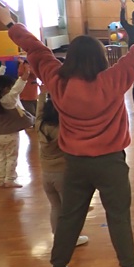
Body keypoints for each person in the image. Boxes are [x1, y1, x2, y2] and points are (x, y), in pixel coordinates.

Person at [0, 0, 134, 267]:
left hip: (75, 163)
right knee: (118, 216)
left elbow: (37, 51)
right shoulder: (111, 80)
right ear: (100, 58)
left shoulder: (57, 81)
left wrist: (11, 23)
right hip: (110, 163)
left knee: (69, 216)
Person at [36, 90, 88, 247]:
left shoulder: (40, 125)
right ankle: (71, 239)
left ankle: (58, 237)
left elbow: (39, 111)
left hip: (46, 175)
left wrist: (43, 93)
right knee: (70, 209)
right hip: (62, 174)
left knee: (55, 207)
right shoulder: (63, 130)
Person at [0, 64, 33, 188]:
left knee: (1, 157)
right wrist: (26, 74)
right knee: (12, 157)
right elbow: (18, 87)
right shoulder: (10, 100)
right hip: (11, 135)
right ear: (7, 88)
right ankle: (10, 179)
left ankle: (1, 180)